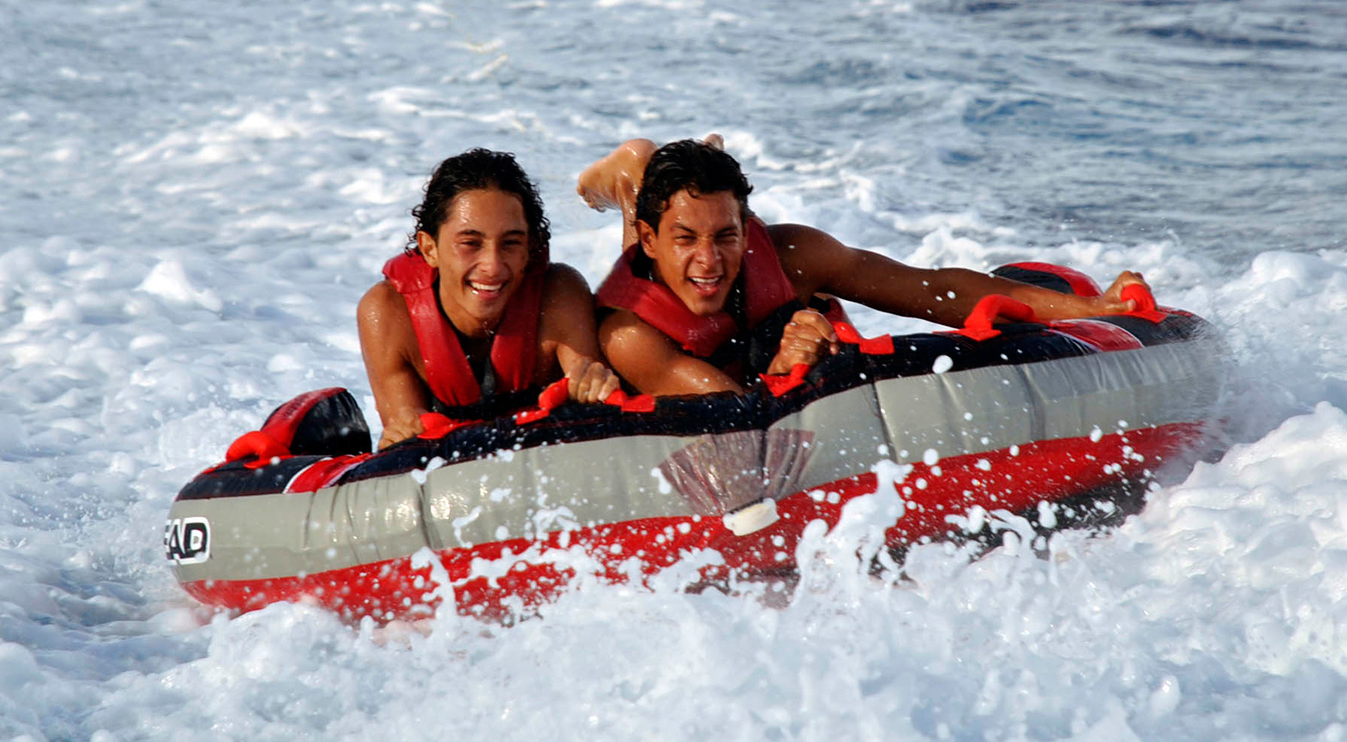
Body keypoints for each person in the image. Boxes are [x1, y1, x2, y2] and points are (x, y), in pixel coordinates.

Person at [579, 137, 1153, 397]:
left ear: (748, 228)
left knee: (695, 232)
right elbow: (734, 415)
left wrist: (1092, 310)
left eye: (729, 235)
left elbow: (930, 289)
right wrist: (782, 370)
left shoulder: (788, 253)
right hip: (662, 300)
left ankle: (667, 176)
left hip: (714, 281)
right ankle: (630, 168)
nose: (711, 259)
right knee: (647, 199)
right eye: (689, 238)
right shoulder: (629, 336)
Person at [359, 148, 619, 448]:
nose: (492, 266)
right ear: (429, 249)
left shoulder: (559, 295)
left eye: (510, 243)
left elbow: (598, 418)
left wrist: (593, 386)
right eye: (470, 243)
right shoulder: (389, 313)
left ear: (530, 249)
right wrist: (402, 437)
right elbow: (407, 445)